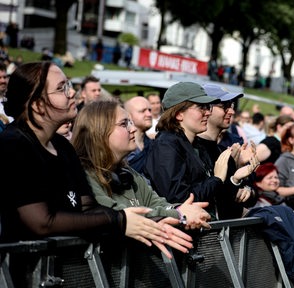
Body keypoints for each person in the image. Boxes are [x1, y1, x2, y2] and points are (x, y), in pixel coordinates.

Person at [0, 62, 192, 286]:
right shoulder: (14, 144)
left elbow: (87, 208)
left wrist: (150, 223)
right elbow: (42, 221)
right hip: (20, 276)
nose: (72, 92)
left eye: (69, 85)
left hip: (66, 274)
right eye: (61, 88)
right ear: (38, 104)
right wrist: (119, 221)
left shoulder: (63, 146)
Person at [72, 101, 211, 232]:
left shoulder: (128, 173)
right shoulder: (83, 175)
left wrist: (182, 209)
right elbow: (120, 214)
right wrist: (179, 214)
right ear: (99, 132)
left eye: (130, 123)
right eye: (123, 124)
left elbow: (156, 203)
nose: (132, 129)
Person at [144, 82, 241, 219]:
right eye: (201, 107)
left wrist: (236, 179)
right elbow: (180, 200)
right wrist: (216, 179)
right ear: (179, 114)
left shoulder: (196, 144)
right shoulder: (166, 145)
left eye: (208, 107)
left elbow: (216, 196)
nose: (208, 112)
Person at [197, 83, 259, 219]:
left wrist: (246, 186)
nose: (231, 111)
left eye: (231, 106)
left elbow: (249, 197)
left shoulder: (224, 148)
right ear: (205, 108)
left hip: (227, 234)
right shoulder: (192, 150)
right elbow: (208, 196)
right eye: (224, 106)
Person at [124, 96, 154, 175]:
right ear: (129, 116)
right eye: (142, 111)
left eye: (149, 110)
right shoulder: (123, 149)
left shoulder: (153, 145)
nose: (149, 114)